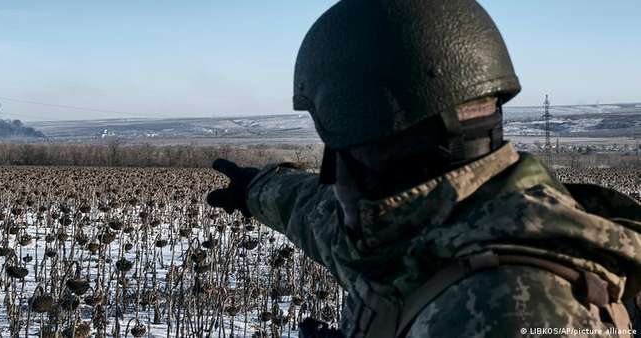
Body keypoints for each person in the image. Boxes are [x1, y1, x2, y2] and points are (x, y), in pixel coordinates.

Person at [207, 0, 641, 337]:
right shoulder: (421, 227)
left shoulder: (510, 307)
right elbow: (316, 216)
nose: (332, 174)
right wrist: (254, 188)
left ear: (367, 132)